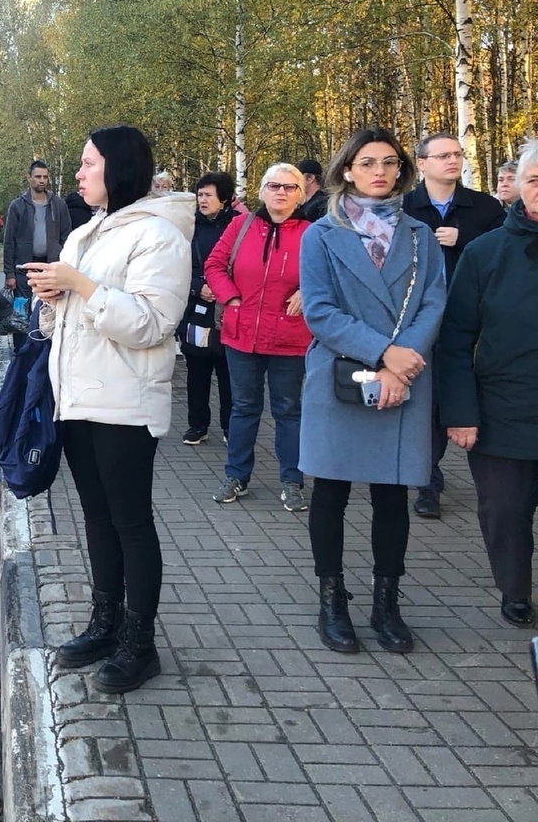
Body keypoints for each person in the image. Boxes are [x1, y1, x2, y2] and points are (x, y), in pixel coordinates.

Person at [24, 124, 193, 694]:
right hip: (76, 399)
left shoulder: (160, 235)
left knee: (131, 522)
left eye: (87, 164)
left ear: (117, 169)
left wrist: (82, 286)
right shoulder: (86, 233)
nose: (77, 174)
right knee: (96, 518)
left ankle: (140, 644)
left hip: (124, 403)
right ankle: (106, 621)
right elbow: (61, 325)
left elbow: (150, 324)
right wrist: (50, 300)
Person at [299, 127, 446, 653]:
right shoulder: (320, 234)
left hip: (403, 378)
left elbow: (433, 302)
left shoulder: (419, 236)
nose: (379, 172)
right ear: (346, 171)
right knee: (331, 493)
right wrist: (384, 355)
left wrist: (401, 365)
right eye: (367, 163)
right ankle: (332, 600)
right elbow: (318, 311)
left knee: (392, 496)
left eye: (388, 162)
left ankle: (387, 602)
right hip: (345, 375)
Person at [438, 140, 538, 627]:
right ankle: (515, 590)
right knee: (505, 512)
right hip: (502, 410)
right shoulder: (486, 251)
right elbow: (456, 339)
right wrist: (459, 412)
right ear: (518, 185)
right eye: (535, 180)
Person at [403, 132, 506, 518]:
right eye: (442, 155)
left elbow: (502, 254)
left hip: (471, 321)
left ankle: (498, 481)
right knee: (426, 404)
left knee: (463, 397)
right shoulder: (404, 207)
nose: (452, 161)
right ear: (423, 163)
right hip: (418, 321)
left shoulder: (485, 208)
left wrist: (465, 239)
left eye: (457, 154)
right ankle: (427, 482)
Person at [204, 163, 312, 511]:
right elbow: (214, 265)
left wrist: (309, 291)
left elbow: (331, 275)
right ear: (262, 191)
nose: (281, 192)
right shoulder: (241, 225)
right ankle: (236, 475)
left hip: (289, 336)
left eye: (289, 187)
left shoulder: (313, 232)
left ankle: (292, 480)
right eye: (274, 186)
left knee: (288, 411)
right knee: (244, 408)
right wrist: (231, 298)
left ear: (301, 193)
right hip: (242, 335)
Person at [177, 171, 237, 445]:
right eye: (200, 195)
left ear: (223, 199)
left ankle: (230, 426)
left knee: (228, 372)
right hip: (197, 309)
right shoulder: (188, 227)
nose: (202, 200)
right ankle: (197, 425)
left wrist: (225, 290)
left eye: (208, 195)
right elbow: (176, 268)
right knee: (197, 369)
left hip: (230, 309)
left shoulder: (238, 226)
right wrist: (196, 286)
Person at [3, 160, 73, 351]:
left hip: (50, 267)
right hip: (24, 269)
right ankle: (21, 353)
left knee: (49, 309)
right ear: (29, 178)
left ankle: (46, 351)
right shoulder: (18, 206)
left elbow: (67, 235)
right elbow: (9, 241)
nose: (42, 181)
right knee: (21, 313)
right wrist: (9, 273)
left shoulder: (58, 204)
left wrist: (64, 260)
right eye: (38, 177)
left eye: (45, 177)